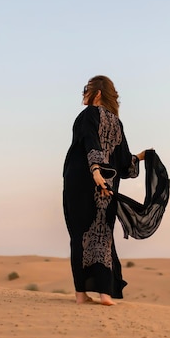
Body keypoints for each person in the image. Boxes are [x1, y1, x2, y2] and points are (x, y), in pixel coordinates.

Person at [63, 75, 146, 306]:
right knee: (102, 233)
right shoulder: (117, 123)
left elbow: (91, 142)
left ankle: (82, 294)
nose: (84, 94)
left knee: (82, 234)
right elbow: (124, 164)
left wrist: (96, 170)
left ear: (97, 93)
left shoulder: (88, 115)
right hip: (104, 183)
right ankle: (104, 294)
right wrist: (136, 159)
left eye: (86, 90)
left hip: (84, 179)